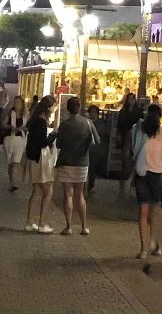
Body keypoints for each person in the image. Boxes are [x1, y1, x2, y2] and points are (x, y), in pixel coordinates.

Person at [131, 103, 162, 260]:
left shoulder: (140, 129)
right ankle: (155, 245)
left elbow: (133, 148)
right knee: (155, 211)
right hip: (157, 174)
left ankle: (143, 249)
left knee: (143, 211)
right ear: (160, 116)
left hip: (141, 173)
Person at [54, 96, 98, 235]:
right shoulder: (88, 123)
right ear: (79, 108)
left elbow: (58, 144)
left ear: (68, 108)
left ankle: (68, 226)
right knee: (80, 195)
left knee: (68, 195)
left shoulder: (65, 125)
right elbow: (97, 140)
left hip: (66, 162)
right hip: (82, 162)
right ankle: (84, 226)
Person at [23, 96, 57, 233]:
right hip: (41, 157)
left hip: (32, 157)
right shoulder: (42, 122)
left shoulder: (34, 120)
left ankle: (29, 221)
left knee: (35, 190)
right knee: (48, 190)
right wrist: (52, 136)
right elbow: (42, 142)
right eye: (54, 106)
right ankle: (42, 222)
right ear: (49, 107)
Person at [0, 95, 27, 191]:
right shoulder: (10, 113)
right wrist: (11, 127)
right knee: (11, 162)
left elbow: (27, 126)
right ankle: (12, 182)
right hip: (9, 139)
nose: (16, 104)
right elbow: (3, 124)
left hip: (20, 140)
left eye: (18, 102)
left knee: (15, 162)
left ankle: (13, 183)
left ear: (22, 104)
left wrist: (24, 129)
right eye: (15, 102)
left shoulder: (24, 115)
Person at [116, 90, 141, 185]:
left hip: (134, 135)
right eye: (130, 99)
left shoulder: (138, 111)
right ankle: (125, 174)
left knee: (131, 155)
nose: (131, 101)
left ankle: (130, 175)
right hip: (125, 134)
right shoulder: (123, 111)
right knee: (125, 155)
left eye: (133, 98)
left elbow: (140, 122)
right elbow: (120, 124)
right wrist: (119, 134)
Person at [86, 104, 102, 194]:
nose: (93, 114)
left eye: (94, 112)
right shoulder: (86, 122)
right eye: (91, 112)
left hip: (95, 149)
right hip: (86, 148)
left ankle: (91, 185)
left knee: (93, 168)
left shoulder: (100, 123)